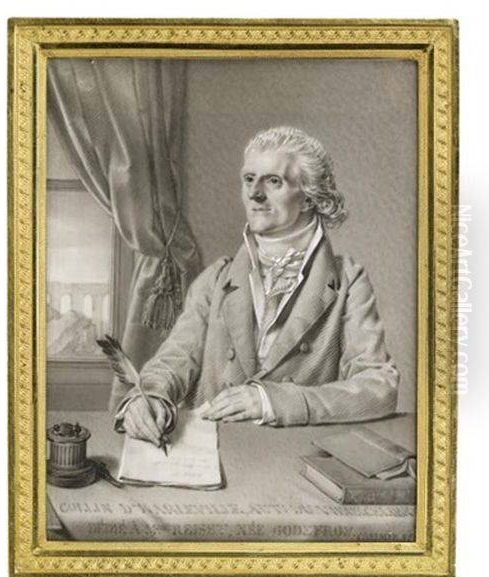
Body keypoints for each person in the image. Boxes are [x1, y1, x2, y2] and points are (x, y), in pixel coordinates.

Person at [115, 126, 399, 447]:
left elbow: (380, 387)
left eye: (273, 181)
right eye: (249, 179)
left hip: (294, 458)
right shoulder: (216, 278)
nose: (254, 194)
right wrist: (150, 396)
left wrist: (273, 402)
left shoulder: (348, 281)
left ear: (309, 196)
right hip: (213, 453)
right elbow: (175, 359)